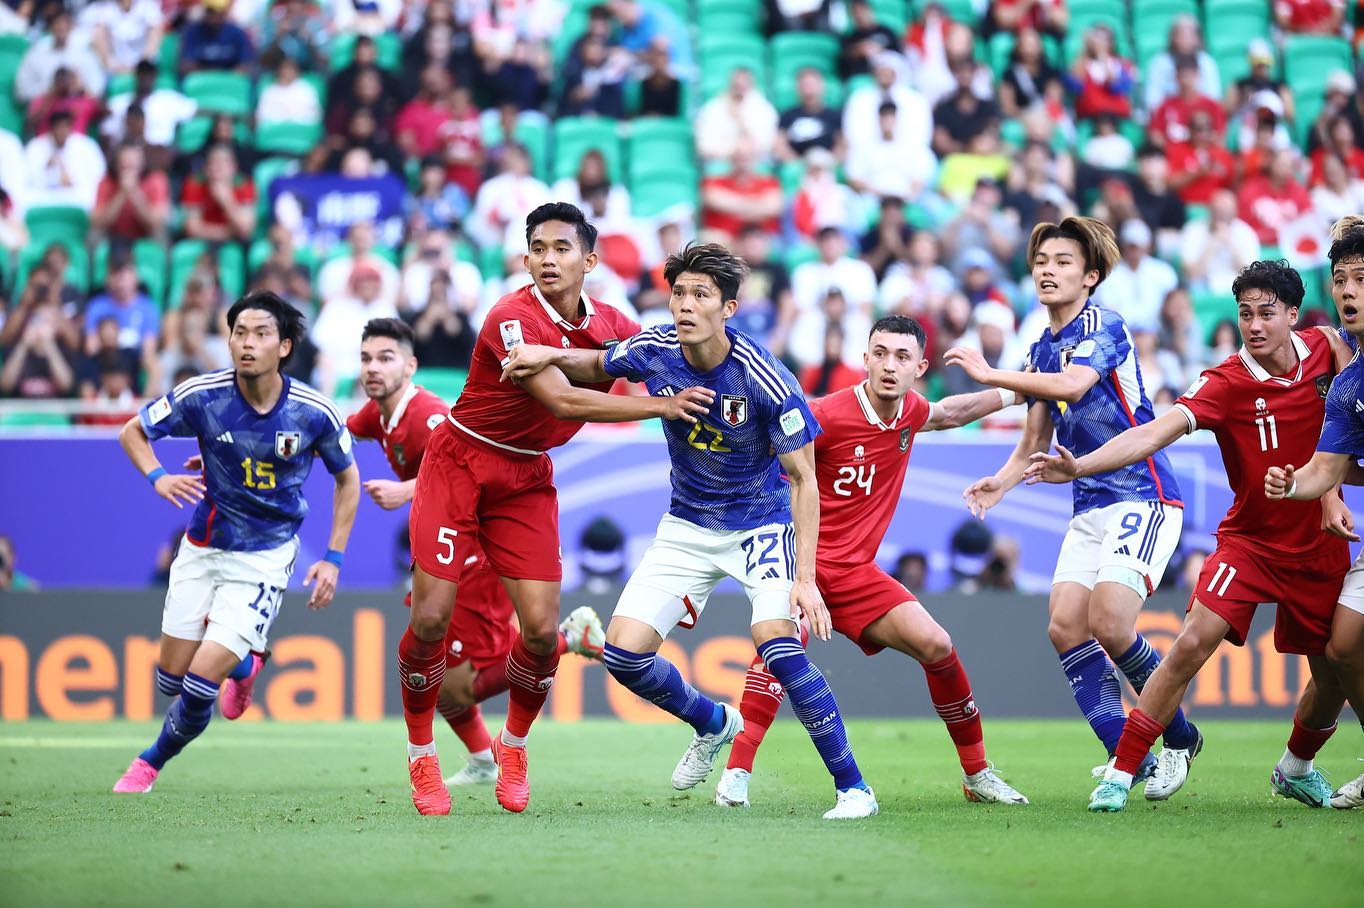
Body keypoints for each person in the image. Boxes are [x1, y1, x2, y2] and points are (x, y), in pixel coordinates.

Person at [503, 242, 877, 820]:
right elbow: (598, 363)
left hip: (758, 523)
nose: (685, 304)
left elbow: (804, 479)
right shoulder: (656, 348)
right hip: (685, 524)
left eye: (700, 294)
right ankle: (712, 722)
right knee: (624, 657)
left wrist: (806, 579)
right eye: (678, 292)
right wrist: (541, 353)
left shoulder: (764, 380)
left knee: (778, 646)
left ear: (729, 307)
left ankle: (854, 789)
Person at [397, 202, 712, 816]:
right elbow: (563, 401)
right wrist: (663, 408)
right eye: (538, 248)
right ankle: (421, 758)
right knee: (432, 618)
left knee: (542, 632)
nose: (548, 258)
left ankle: (512, 747)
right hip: (460, 462)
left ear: (589, 260)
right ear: (525, 258)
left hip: (524, 478)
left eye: (562, 248)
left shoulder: (616, 324)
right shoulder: (509, 319)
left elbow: (671, 360)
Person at [1027, 259, 1356, 812]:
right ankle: (1122, 771)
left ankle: (1296, 766)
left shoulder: (1329, 350)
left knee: (1334, 672)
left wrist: (1329, 492)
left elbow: (1342, 431)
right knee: (1191, 643)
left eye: (1266, 314)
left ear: (1293, 315)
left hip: (1319, 545)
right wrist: (1081, 467)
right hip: (1250, 542)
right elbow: (1154, 431)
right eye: (1245, 314)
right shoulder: (1224, 381)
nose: (1253, 325)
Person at [719, 315, 1030, 808]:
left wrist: (1021, 389)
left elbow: (953, 411)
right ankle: (736, 773)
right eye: (879, 353)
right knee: (781, 652)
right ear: (864, 358)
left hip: (857, 574)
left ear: (920, 367)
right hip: (803, 565)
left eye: (902, 357)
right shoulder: (824, 414)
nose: (889, 365)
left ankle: (977, 775)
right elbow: (775, 469)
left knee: (937, 644)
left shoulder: (909, 412)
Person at [945, 217, 1201, 791]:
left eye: (1062, 262)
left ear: (1090, 276)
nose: (1046, 270)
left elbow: (1072, 387)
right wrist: (1001, 481)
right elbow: (1034, 442)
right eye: (1041, 261)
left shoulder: (1104, 324)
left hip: (1145, 491)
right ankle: (1130, 753)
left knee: (1111, 623)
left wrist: (990, 372)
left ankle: (1178, 736)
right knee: (1065, 627)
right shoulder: (1040, 346)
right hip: (1088, 501)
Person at [110, 291, 361, 793]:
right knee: (171, 681)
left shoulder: (314, 413)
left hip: (266, 555)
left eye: (261, 334)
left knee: (201, 685)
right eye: (239, 333)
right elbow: (132, 432)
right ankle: (246, 662)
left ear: (284, 347)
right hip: (203, 547)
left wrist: (332, 558)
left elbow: (348, 479)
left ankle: (148, 763)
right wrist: (157, 477)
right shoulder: (202, 395)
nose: (247, 344)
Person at [346, 317, 605, 787]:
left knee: (458, 682)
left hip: (477, 550)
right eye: (365, 359)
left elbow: (457, 465)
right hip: (448, 544)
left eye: (385, 358)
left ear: (410, 366)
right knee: (435, 669)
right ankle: (483, 757)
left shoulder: (427, 416)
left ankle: (571, 641)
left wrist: (405, 491)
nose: (372, 369)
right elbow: (335, 433)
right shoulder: (376, 413)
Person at [1263, 219, 1364, 810]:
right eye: (1341, 280)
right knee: (1343, 646)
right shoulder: (1350, 385)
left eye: (1361, 279)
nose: (1348, 291)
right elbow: (1328, 469)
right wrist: (1293, 482)